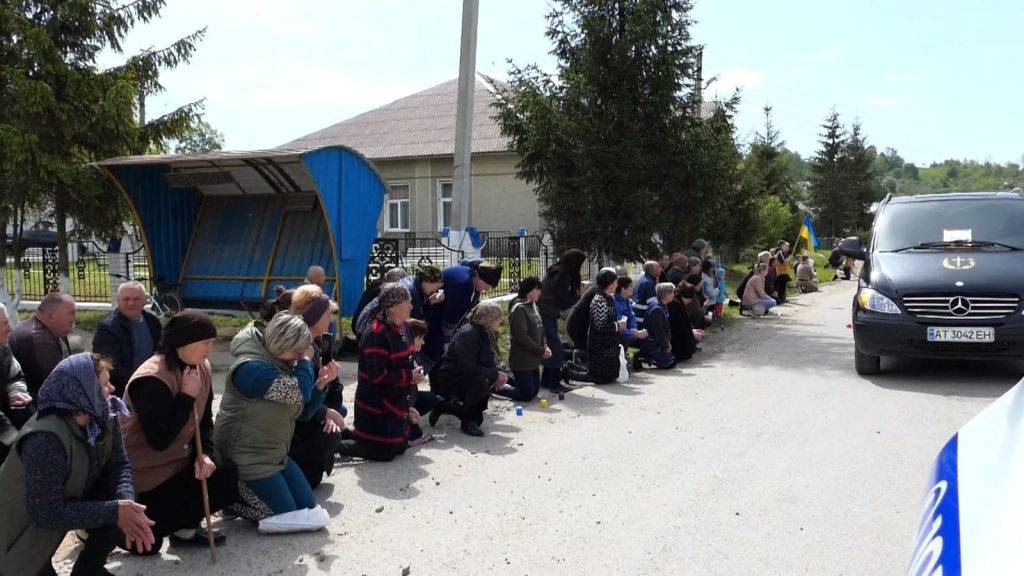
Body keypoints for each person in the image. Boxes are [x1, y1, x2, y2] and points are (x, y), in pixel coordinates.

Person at [0, 353, 155, 575]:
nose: (111, 389)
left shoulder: (103, 414)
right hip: (17, 541)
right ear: (82, 391)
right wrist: (114, 511)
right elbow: (46, 512)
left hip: (51, 524)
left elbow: (119, 465)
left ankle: (88, 569)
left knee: (125, 502)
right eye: (103, 384)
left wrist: (126, 506)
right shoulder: (45, 438)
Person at [121, 309, 238, 552]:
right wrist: (186, 395)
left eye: (211, 342)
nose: (209, 348)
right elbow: (159, 440)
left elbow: (204, 423)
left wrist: (204, 454)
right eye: (204, 342)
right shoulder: (151, 378)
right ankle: (105, 529)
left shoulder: (200, 366)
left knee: (224, 472)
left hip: (180, 463)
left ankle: (184, 530)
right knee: (147, 548)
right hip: (147, 476)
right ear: (183, 343)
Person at [214, 313, 330, 534]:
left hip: (273, 456)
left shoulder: (280, 361)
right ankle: (226, 497)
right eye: (296, 350)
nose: (298, 356)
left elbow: (302, 413)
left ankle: (240, 497)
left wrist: (321, 386)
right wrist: (306, 362)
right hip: (245, 460)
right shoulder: (251, 368)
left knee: (307, 507)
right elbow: (298, 393)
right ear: (281, 343)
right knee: (282, 515)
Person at [350, 283, 427, 454]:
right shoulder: (375, 334)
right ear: (393, 307)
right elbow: (377, 377)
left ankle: (355, 439)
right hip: (377, 403)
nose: (412, 306)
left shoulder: (405, 326)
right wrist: (409, 376)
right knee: (386, 453)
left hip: (397, 399)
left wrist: (413, 370)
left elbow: (406, 357)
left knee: (400, 447)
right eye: (408, 302)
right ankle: (345, 447)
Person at [287, 285, 345, 486]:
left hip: (310, 412)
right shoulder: (298, 350)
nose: (330, 320)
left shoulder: (315, 344)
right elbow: (298, 400)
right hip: (295, 426)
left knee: (339, 414)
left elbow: (331, 391)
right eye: (327, 314)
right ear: (315, 316)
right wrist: (325, 413)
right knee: (312, 480)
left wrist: (331, 381)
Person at [431, 301, 507, 436]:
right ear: (488, 318)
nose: (501, 320)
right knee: (479, 382)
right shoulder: (469, 333)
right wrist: (493, 375)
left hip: (466, 373)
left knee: (478, 419)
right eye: (498, 317)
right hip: (451, 376)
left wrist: (497, 375)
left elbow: (487, 359)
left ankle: (450, 408)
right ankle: (465, 423)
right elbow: (467, 367)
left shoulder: (484, 331)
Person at [424, 261, 502, 369]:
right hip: (433, 318)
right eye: (486, 286)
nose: (486, 290)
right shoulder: (464, 286)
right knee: (436, 357)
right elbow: (452, 316)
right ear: (480, 278)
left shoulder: (470, 275)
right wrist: (447, 342)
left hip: (437, 315)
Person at [92, 281, 162, 397]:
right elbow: (109, 364)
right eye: (126, 299)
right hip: (123, 391)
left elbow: (161, 351)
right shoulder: (108, 328)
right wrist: (138, 381)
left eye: (136, 299)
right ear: (118, 301)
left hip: (152, 384)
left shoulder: (152, 321)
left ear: (145, 301)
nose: (131, 303)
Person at [563, 270, 625, 385]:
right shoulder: (599, 300)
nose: (617, 285)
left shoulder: (608, 298)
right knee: (598, 376)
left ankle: (573, 365)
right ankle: (569, 372)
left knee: (609, 375)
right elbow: (600, 326)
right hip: (598, 343)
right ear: (609, 284)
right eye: (615, 282)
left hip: (608, 343)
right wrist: (617, 326)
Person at [9, 291, 75, 398]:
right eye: (71, 313)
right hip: (32, 406)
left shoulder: (52, 331)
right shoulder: (38, 338)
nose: (74, 319)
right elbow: (57, 383)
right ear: (51, 316)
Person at [537, 249, 585, 393]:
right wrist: (579, 296)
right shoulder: (562, 276)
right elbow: (562, 303)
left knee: (552, 347)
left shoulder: (557, 270)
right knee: (556, 350)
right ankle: (554, 384)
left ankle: (545, 380)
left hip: (546, 313)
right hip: (546, 314)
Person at [355, 266, 442, 344]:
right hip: (369, 330)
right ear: (429, 281)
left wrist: (430, 302)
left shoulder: (416, 284)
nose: (435, 291)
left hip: (369, 327)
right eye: (436, 287)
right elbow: (413, 320)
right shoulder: (411, 290)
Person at [499, 277, 550, 403]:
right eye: (537, 289)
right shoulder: (519, 309)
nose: (540, 292)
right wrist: (540, 350)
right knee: (526, 395)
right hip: (521, 360)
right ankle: (494, 386)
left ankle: (505, 379)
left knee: (534, 391)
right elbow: (522, 336)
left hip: (533, 359)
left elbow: (541, 329)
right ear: (529, 291)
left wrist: (545, 345)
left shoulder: (534, 307)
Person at [1, 303, 31, 456]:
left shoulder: (3, 348)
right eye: (5, 323)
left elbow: (15, 376)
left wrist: (15, 392)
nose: (10, 329)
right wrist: (13, 439)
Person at [352, 267, 408, 339]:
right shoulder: (384, 288)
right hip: (362, 327)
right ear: (394, 280)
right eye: (400, 282)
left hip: (361, 323)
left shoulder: (380, 282)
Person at [634, 283, 677, 370]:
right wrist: (666, 345)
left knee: (673, 359)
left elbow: (666, 327)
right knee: (669, 364)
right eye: (672, 292)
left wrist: (668, 341)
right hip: (652, 341)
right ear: (666, 294)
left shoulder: (663, 306)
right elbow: (658, 332)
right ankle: (644, 358)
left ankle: (653, 356)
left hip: (658, 341)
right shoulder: (657, 309)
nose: (674, 295)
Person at [668, 282, 703, 362]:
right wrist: (692, 333)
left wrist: (692, 330)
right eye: (689, 299)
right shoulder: (676, 305)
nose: (690, 301)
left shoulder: (679, 303)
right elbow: (679, 326)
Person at [613, 276, 649, 349]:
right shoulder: (616, 305)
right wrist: (634, 333)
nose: (632, 288)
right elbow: (619, 328)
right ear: (623, 289)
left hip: (629, 334)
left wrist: (634, 329)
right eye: (630, 286)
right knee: (648, 343)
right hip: (620, 338)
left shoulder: (626, 300)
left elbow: (631, 316)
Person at [632, 261, 661, 329]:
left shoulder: (644, 279)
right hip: (644, 320)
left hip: (639, 318)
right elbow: (653, 306)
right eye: (658, 267)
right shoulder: (649, 283)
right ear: (652, 270)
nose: (660, 269)